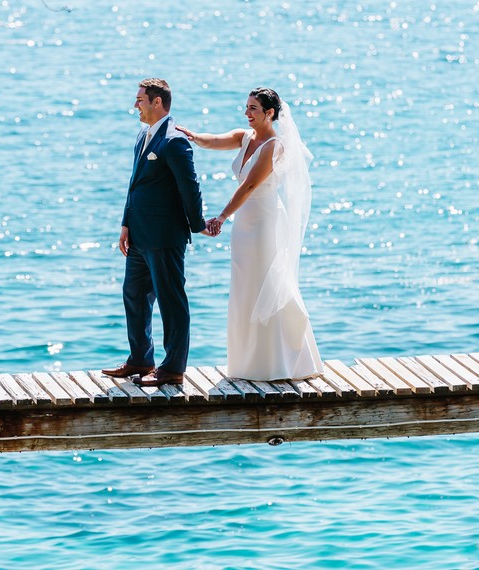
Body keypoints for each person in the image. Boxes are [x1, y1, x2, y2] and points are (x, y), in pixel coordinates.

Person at [176, 87, 323, 381]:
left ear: (270, 113)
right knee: (245, 287)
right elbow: (213, 140)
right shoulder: (245, 137)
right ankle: (247, 363)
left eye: (253, 108)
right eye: (246, 107)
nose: (247, 113)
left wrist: (222, 216)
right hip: (244, 224)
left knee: (266, 285)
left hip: (264, 223)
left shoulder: (274, 146)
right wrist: (191, 136)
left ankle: (278, 361)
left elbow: (250, 186)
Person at [102, 78, 209, 387]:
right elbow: (135, 184)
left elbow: (189, 186)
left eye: (140, 100)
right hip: (138, 234)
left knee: (171, 302)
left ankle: (173, 368)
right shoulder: (143, 135)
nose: (136, 105)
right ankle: (140, 359)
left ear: (157, 102)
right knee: (134, 296)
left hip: (164, 236)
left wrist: (198, 224)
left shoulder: (174, 141)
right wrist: (125, 223)